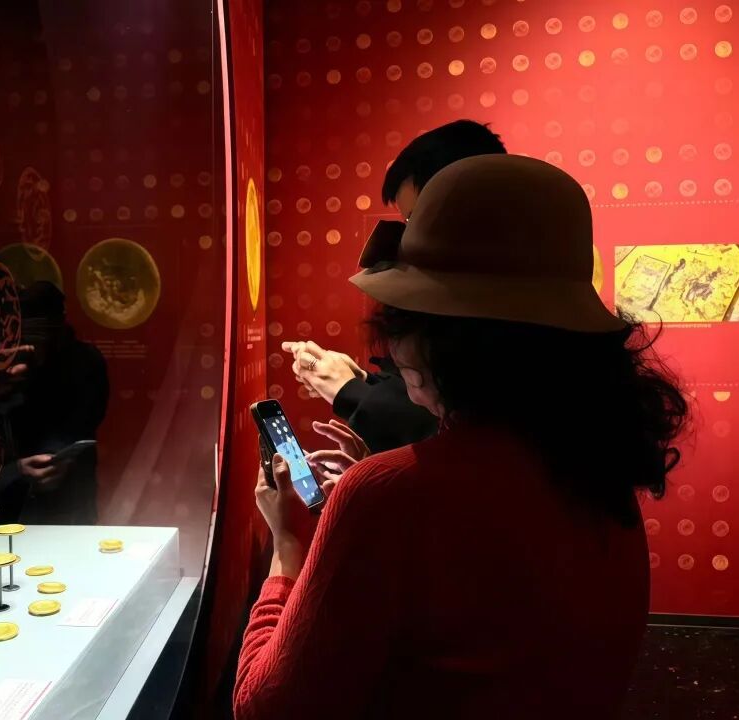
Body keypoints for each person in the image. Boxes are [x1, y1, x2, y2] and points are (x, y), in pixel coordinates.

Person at [234, 155, 689, 718]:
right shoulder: (600, 473)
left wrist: (288, 545)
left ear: (434, 338)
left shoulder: (389, 496)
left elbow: (264, 708)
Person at [283, 120, 507, 456]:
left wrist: (349, 391)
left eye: (416, 220)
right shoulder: (477, 295)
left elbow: (467, 437)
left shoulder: (504, 310)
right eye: (407, 223)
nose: (409, 240)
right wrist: (362, 382)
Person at [2, 281, 109, 524]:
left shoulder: (84, 361)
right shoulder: (11, 361)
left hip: (69, 488)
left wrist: (53, 455)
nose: (33, 346)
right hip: (18, 486)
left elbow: (83, 419)